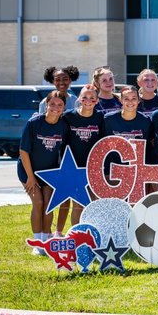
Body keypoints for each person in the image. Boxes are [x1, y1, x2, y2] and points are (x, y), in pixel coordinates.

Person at [19, 90, 69, 253]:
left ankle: (46, 240)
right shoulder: (34, 123)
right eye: (52, 104)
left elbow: (65, 150)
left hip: (50, 173)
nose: (56, 107)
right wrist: (30, 177)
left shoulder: (63, 125)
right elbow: (23, 151)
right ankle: (37, 242)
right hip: (28, 171)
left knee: (48, 205)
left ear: (64, 107)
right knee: (38, 203)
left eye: (60, 105)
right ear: (46, 104)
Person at [38, 65, 80, 236]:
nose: (61, 82)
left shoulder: (75, 100)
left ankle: (58, 231)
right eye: (57, 79)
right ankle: (45, 231)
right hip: (52, 152)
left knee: (66, 194)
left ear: (71, 80)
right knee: (48, 196)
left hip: (70, 152)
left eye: (65, 79)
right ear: (52, 80)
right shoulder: (45, 102)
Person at [62, 84, 105, 226]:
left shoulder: (100, 117)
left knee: (93, 202)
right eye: (85, 97)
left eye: (92, 98)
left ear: (97, 100)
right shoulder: (68, 116)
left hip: (93, 166)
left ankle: (92, 232)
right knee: (78, 204)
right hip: (74, 167)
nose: (88, 100)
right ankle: (76, 233)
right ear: (79, 99)